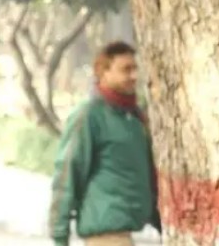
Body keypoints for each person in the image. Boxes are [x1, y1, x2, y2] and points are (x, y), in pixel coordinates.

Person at [48, 41, 161, 246]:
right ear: (103, 72)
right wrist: (59, 235)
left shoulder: (135, 118)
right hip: (106, 235)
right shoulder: (89, 116)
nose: (134, 76)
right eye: (126, 69)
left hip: (135, 231)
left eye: (135, 69)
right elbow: (67, 174)